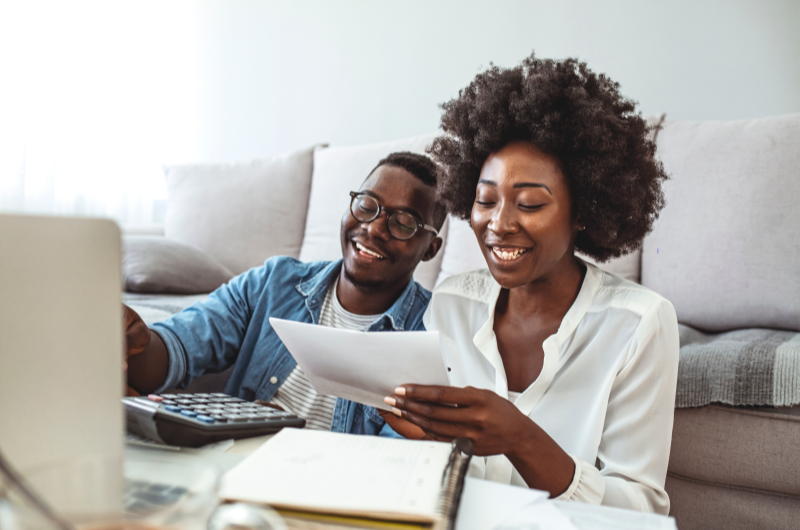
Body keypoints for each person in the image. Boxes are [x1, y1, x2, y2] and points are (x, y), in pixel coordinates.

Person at [381, 53, 679, 514]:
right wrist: (427, 434)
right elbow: (445, 467)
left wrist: (521, 438)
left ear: (583, 212)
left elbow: (640, 509)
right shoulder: (452, 302)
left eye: (530, 204)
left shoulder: (639, 323)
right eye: (486, 200)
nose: (498, 225)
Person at [125, 151, 445, 435]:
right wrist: (137, 343)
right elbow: (179, 347)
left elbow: (401, 458)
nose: (373, 228)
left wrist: (288, 438)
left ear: (430, 249)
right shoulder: (273, 282)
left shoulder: (434, 333)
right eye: (366, 205)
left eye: (403, 223)